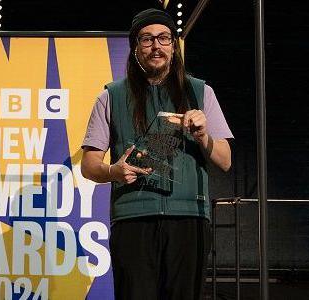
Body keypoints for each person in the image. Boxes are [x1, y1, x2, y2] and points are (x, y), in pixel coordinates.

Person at [81, 8, 233, 300]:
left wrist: (203, 135)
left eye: (164, 38)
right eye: (147, 39)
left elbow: (225, 160)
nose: (156, 46)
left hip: (189, 218)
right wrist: (113, 171)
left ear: (174, 47)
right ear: (135, 48)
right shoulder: (110, 96)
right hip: (134, 219)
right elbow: (89, 165)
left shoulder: (201, 92)